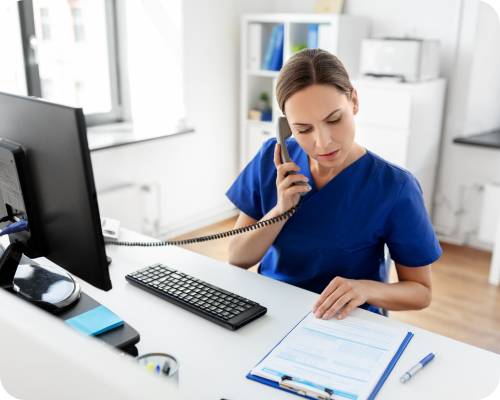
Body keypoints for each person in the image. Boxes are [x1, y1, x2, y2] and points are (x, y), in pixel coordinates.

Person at [225, 49, 441, 320]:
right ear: (287, 127)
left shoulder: (395, 187)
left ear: (354, 101)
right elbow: (237, 257)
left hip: (346, 321)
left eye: (334, 119)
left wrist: (364, 289)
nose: (323, 142)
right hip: (272, 313)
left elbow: (421, 292)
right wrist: (281, 210)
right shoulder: (273, 160)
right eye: (303, 129)